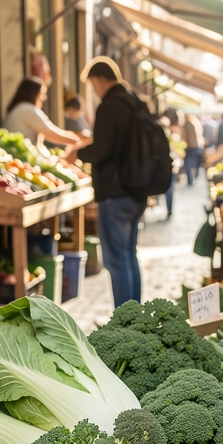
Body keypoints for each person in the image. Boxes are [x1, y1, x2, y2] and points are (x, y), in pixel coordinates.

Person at [77, 58, 150, 306]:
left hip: (115, 193)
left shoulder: (109, 106)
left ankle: (125, 320)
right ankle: (134, 313)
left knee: (116, 261)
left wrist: (77, 153)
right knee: (129, 256)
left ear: (98, 80)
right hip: (137, 191)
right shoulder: (134, 102)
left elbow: (101, 150)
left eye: (92, 85)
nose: (94, 91)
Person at [4, 77, 81, 149]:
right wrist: (79, 142)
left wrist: (78, 137)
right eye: (42, 93)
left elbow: (53, 131)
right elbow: (51, 134)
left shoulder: (21, 108)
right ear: (33, 93)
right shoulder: (27, 109)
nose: (44, 98)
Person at [181, 112, 205, 185]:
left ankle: (190, 179)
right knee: (194, 161)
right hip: (195, 145)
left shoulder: (187, 124)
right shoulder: (195, 123)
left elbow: (185, 136)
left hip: (189, 146)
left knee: (188, 163)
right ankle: (194, 175)